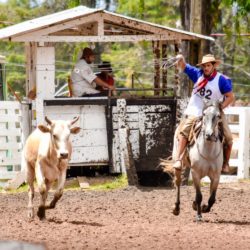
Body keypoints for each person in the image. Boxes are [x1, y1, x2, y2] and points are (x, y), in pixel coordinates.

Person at [173, 54, 234, 173]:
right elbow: (183, 65)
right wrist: (181, 58)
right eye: (204, 66)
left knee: (229, 137)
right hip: (196, 110)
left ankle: (225, 163)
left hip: (214, 112)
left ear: (213, 66)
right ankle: (179, 159)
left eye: (208, 65)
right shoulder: (197, 74)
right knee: (184, 131)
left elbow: (230, 97)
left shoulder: (221, 80)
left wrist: (220, 107)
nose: (206, 68)